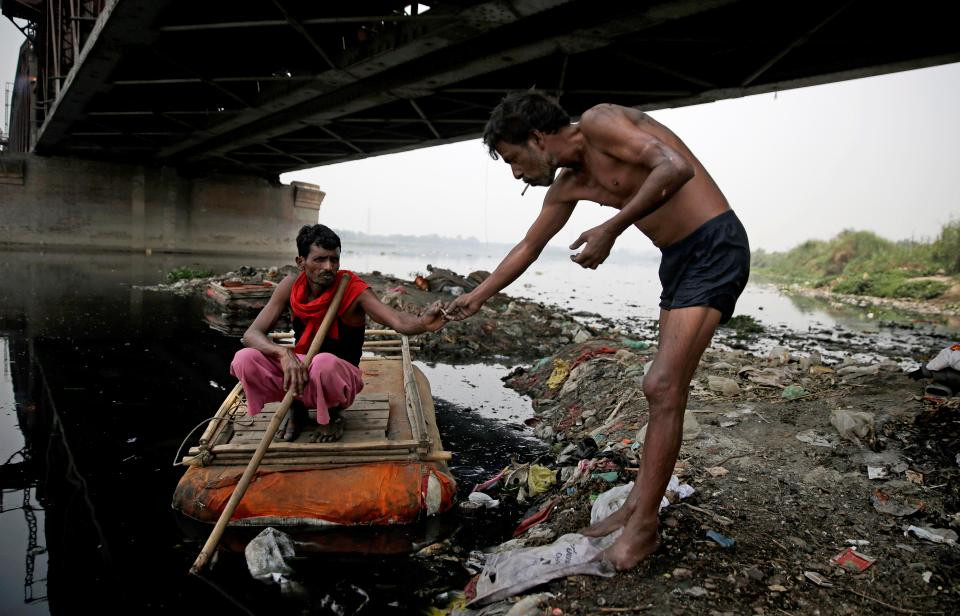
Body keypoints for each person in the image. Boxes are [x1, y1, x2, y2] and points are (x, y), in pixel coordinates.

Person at [445, 90, 750, 570]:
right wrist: (477, 296)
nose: (516, 173)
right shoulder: (567, 186)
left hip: (715, 245)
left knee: (662, 385)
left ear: (536, 137)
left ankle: (643, 529)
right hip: (679, 260)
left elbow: (674, 168)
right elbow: (529, 245)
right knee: (663, 392)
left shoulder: (601, 121)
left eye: (513, 159)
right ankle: (635, 507)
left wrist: (613, 227)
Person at [231, 224, 446, 442]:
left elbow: (396, 320)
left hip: (339, 377)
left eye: (334, 260)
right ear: (301, 262)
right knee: (245, 358)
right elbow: (252, 334)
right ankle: (296, 408)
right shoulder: (291, 286)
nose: (328, 267)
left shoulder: (352, 287)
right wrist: (283, 354)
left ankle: (333, 415)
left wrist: (423, 322)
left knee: (324, 363)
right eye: (320, 260)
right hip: (303, 370)